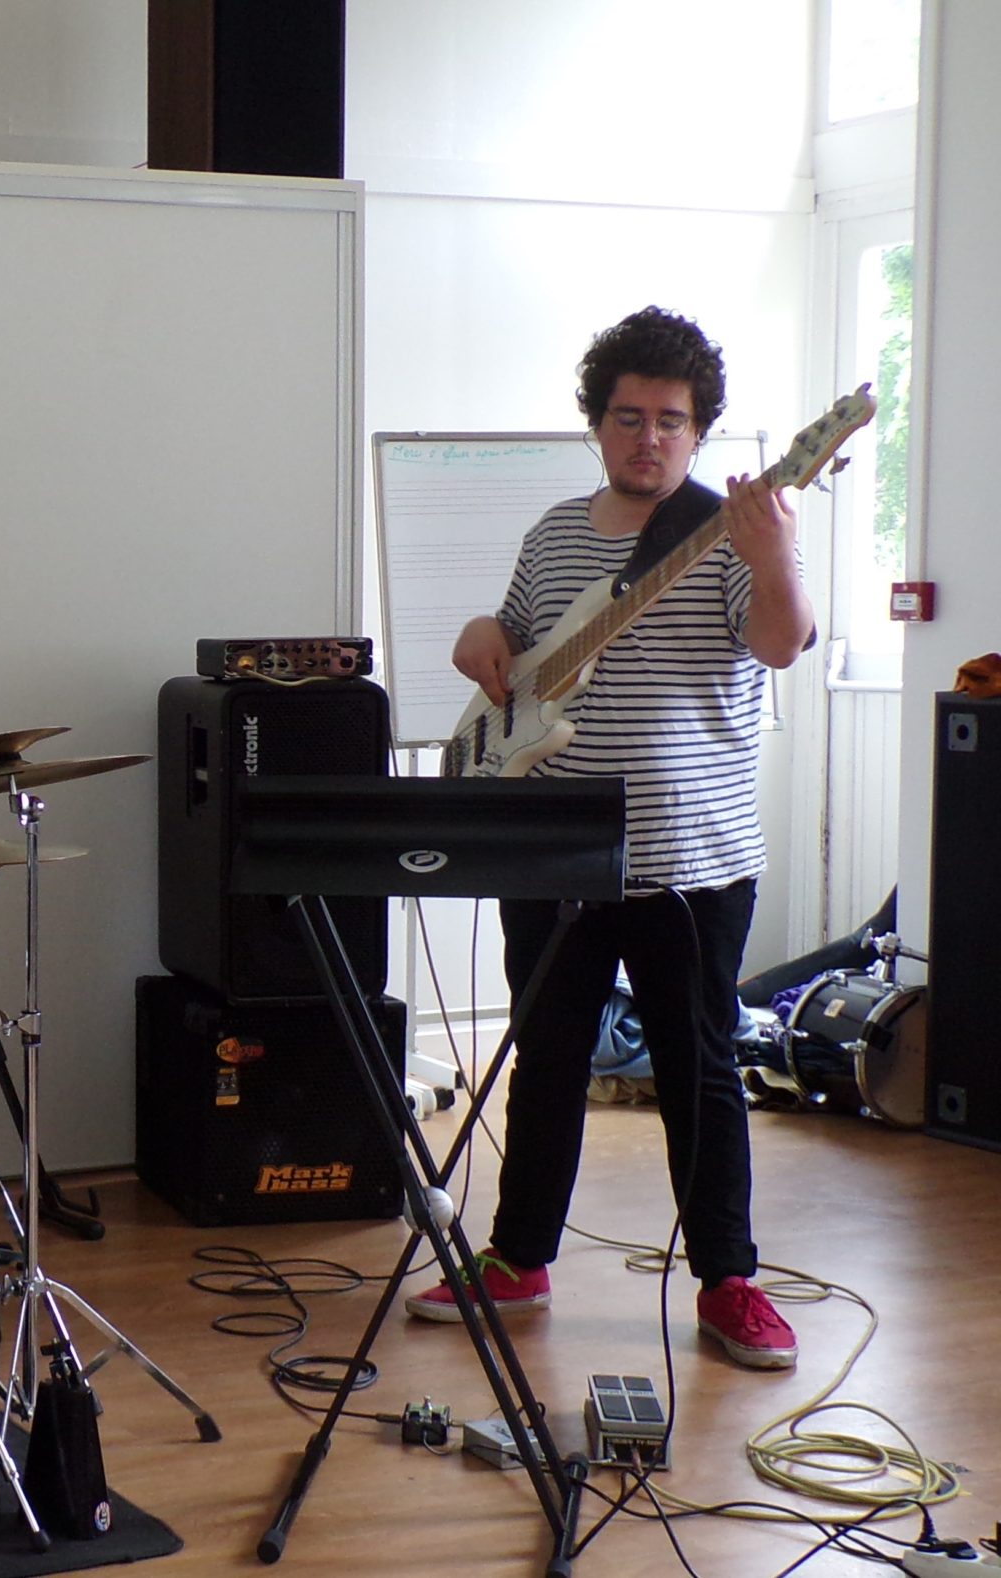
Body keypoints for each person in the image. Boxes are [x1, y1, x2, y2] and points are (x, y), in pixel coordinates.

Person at [405, 307, 810, 1370]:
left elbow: (779, 645)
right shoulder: (552, 534)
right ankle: (516, 1258)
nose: (649, 438)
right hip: (553, 850)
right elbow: (515, 645)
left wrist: (776, 558)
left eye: (671, 421)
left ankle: (728, 1281)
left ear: (698, 431)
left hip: (692, 857)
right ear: (597, 424)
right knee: (545, 1058)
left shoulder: (730, 533)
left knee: (699, 1071)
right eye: (629, 417)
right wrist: (481, 636)